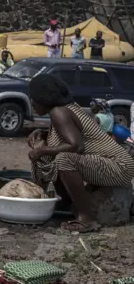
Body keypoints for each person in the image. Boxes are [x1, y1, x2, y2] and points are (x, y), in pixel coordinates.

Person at [27, 74, 134, 233]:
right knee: (57, 155)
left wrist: (41, 150)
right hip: (115, 164)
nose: (32, 103)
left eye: (33, 99)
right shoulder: (64, 109)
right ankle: (67, 204)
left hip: (119, 166)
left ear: (44, 99)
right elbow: (67, 137)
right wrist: (44, 134)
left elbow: (76, 146)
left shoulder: (59, 112)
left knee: (64, 159)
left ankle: (87, 218)